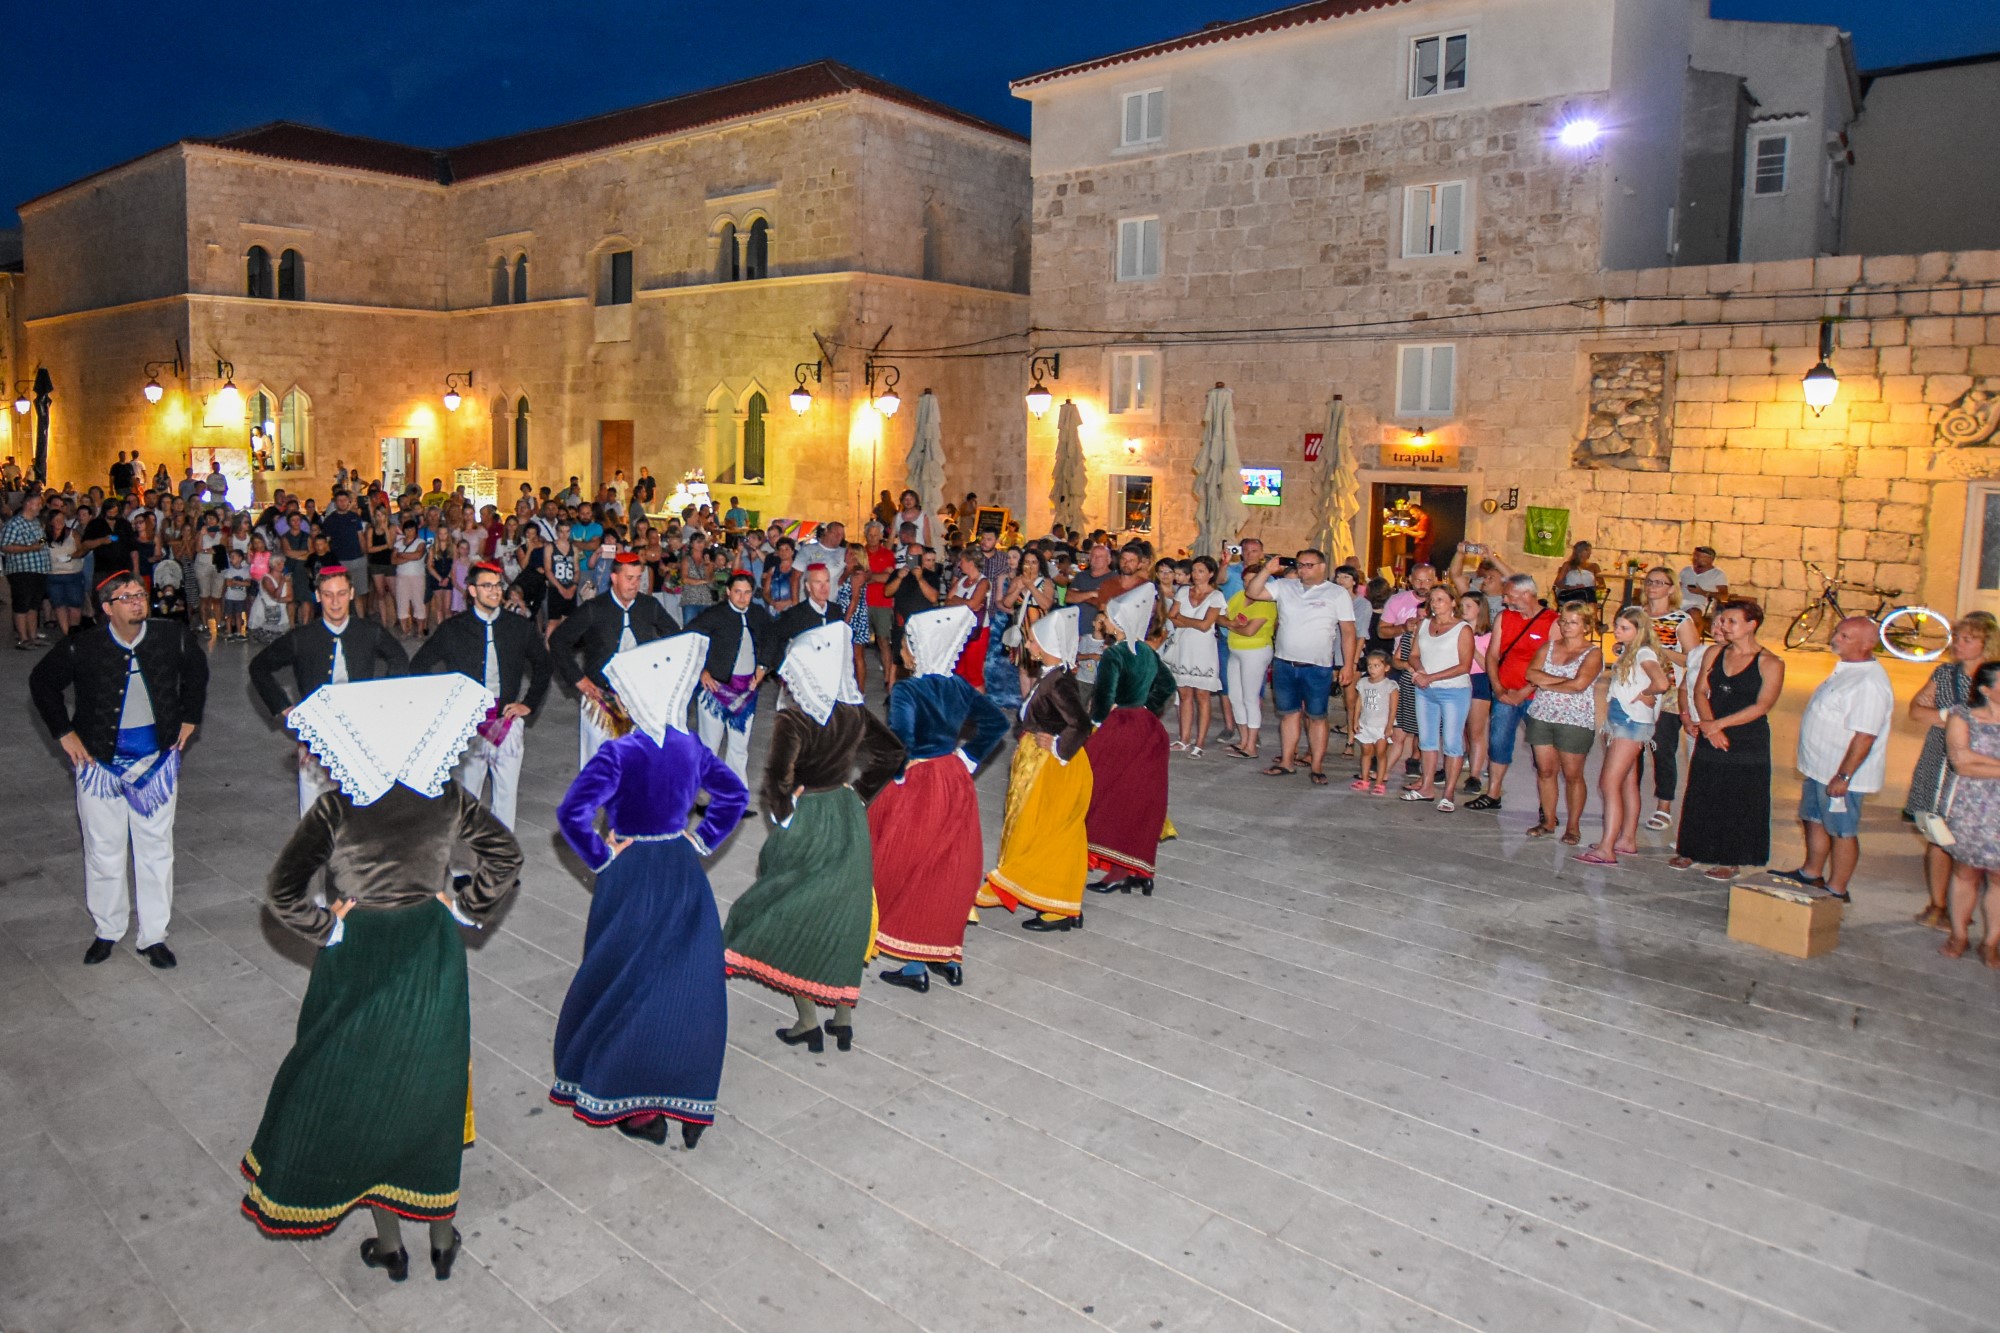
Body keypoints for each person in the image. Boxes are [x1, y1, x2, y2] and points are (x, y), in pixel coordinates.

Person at [239, 676, 521, 1277]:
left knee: (365, 1086)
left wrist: (326, 926)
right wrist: (467, 904)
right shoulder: (444, 798)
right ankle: (442, 1242)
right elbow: (507, 855)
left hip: (359, 952)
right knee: (433, 1085)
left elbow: (280, 891)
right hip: (430, 949)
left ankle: (391, 1246)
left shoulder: (336, 807)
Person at [551, 633, 750, 1147]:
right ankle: (681, 1093)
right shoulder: (691, 747)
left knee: (626, 978)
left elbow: (571, 815)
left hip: (632, 873)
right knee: (682, 981)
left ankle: (637, 1105)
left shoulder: (619, 753)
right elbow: (734, 793)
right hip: (681, 871)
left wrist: (601, 856)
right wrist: (701, 837)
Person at [724, 624, 904, 1051]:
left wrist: (785, 819)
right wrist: (858, 794)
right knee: (844, 913)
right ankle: (841, 1019)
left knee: (795, 912)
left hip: (810, 819)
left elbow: (777, 779)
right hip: (846, 814)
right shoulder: (852, 710)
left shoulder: (794, 716)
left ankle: (807, 1021)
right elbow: (894, 753)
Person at [30, 571, 208, 967]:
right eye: (126, 597)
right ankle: (108, 928)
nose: (137, 602)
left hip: (155, 761)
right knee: (104, 849)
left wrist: (189, 717)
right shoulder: (83, 646)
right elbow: (42, 683)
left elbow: (197, 671)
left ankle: (154, 935)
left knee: (156, 850)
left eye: (139, 594)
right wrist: (65, 734)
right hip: (99, 763)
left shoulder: (171, 636)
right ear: (107, 608)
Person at [871, 606, 1010, 991]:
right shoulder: (959, 686)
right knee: (948, 867)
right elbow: (998, 723)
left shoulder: (908, 689)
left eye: (907, 644)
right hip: (953, 778)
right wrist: (967, 757)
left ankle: (915, 967)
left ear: (919, 648)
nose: (902, 650)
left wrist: (896, 777)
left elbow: (900, 743)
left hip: (920, 784)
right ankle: (947, 956)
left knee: (912, 865)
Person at [251, 566, 412, 813]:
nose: (335, 602)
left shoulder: (369, 632)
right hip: (316, 731)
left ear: (351, 593)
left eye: (340, 593)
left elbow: (399, 658)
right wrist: (284, 707)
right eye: (327, 594)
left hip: (361, 728)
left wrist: (384, 699)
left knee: (360, 804)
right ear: (317, 596)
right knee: (315, 807)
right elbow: (259, 667)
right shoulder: (302, 637)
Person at [976, 607, 1096, 931]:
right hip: (1042, 761)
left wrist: (1057, 745)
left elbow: (1081, 724)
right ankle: (1060, 899)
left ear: (1045, 645)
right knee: (1047, 831)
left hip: (1055, 766)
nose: (1027, 645)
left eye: (1031, 640)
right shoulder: (1052, 675)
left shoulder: (1059, 682)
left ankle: (1059, 908)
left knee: (1053, 832)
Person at [411, 562, 554, 829]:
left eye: (498, 585)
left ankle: (502, 862)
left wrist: (528, 704)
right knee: (467, 796)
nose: (495, 591)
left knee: (506, 795)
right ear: (473, 591)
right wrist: (445, 705)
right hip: (467, 725)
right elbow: (418, 666)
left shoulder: (518, 627)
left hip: (507, 720)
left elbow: (544, 665)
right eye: (487, 586)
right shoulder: (453, 629)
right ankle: (464, 864)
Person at [1777, 616, 1894, 903]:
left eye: (1845, 636)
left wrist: (1844, 776)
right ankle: (1811, 871)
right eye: (1838, 633)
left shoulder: (1870, 683)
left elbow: (1865, 736)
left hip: (1841, 775)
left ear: (1867, 645)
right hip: (1819, 767)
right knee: (1814, 819)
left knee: (1842, 830)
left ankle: (1837, 888)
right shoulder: (1847, 669)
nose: (1836, 638)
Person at [1671, 600, 1784, 880]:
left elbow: (1762, 705)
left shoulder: (1770, 662)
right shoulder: (1714, 653)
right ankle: (1693, 848)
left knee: (1738, 796)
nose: (1723, 626)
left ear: (1751, 625)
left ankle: (1730, 858)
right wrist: (1711, 727)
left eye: (1731, 621)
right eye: (1722, 621)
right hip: (1713, 729)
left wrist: (1716, 725)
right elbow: (1700, 692)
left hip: (1747, 737)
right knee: (1702, 789)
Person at [1906, 614, 2000, 927]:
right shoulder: (1945, 673)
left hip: (1986, 767)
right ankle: (1937, 905)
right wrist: (1954, 716)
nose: (1958, 644)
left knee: (1980, 837)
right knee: (1937, 832)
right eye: (1957, 638)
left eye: (1967, 639)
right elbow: (1916, 710)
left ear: (1987, 644)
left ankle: (1966, 908)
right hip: (1940, 759)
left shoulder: (1995, 678)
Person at [1083, 585, 1175, 896]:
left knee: (1107, 796)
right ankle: (1137, 869)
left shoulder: (1114, 654)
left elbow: (1103, 698)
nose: (1104, 621)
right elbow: (1167, 684)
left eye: (1108, 616)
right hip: (1147, 729)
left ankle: (1118, 871)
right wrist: (1146, 706)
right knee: (1138, 799)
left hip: (1120, 728)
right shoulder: (1147, 651)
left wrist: (1097, 723)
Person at [550, 552, 681, 764]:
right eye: (629, 578)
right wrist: (579, 680)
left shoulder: (649, 606)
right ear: (614, 577)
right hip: (600, 696)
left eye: (639, 578)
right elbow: (558, 641)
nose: (635, 584)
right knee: (598, 762)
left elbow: (675, 639)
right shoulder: (594, 608)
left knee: (638, 760)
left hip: (639, 697)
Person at [1246, 550, 1357, 786]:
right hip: (1285, 662)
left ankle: (1316, 764)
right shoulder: (1286, 586)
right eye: (1301, 565)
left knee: (1317, 716)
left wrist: (1348, 664)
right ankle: (1287, 761)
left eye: (1309, 565)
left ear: (1322, 566)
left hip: (1317, 666)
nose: (1304, 569)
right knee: (1288, 714)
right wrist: (1267, 569)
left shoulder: (1336, 593)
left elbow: (1348, 632)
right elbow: (1252, 592)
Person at [1577, 607, 1670, 866]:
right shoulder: (1632, 651)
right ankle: (1626, 838)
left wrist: (1649, 692)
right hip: (1621, 720)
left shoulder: (1643, 653)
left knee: (1609, 783)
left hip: (1630, 723)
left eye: (1624, 628)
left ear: (1639, 631)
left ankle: (1607, 847)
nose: (1617, 631)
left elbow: (1661, 682)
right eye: (1617, 626)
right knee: (1628, 782)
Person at [1467, 575, 1555, 813]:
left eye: (1509, 595)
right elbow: (1492, 655)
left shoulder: (1552, 621)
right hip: (1504, 692)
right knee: (1498, 743)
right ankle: (1493, 793)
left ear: (1526, 594)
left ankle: (1546, 806)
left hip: (1537, 696)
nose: (1504, 600)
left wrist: (1524, 691)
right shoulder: (1505, 618)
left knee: (1543, 752)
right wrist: (1497, 687)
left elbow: (1551, 664)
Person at [1523, 603, 1602, 844]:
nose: (1566, 626)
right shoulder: (1548, 647)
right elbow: (1531, 674)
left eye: (1573, 622)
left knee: (1573, 775)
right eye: (1564, 621)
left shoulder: (1593, 653)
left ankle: (1573, 826)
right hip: (1542, 715)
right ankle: (1548, 820)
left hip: (1575, 719)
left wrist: (1547, 682)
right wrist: (1562, 681)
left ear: (1587, 626)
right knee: (1545, 771)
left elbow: (1580, 685)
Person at [688, 571, 777, 780]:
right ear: (728, 592)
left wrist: (763, 667)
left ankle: (736, 797)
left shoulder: (758, 614)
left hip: (747, 691)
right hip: (715, 689)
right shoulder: (714, 614)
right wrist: (701, 670)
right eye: (737, 592)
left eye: (747, 593)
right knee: (709, 745)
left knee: (739, 748)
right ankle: (705, 796)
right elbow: (688, 637)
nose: (742, 597)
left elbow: (773, 638)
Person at [1940, 662, 2000, 966]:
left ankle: (1991, 941)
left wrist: (1983, 763)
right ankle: (1959, 933)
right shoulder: (1962, 716)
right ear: (1985, 690)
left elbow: (1971, 759)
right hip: (1971, 805)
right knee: (1966, 872)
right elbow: (1961, 762)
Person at [1402, 585, 1475, 811]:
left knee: (1452, 742)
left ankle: (1449, 793)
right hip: (1425, 690)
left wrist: (1431, 676)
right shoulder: (1424, 624)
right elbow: (1413, 654)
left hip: (1453, 690)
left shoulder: (1462, 629)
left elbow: (1464, 665)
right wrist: (1421, 672)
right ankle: (1426, 786)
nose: (1435, 603)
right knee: (1427, 740)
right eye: (1433, 599)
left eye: (1441, 599)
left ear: (1454, 602)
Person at [1636, 567, 1694, 831]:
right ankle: (1629, 798)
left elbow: (1694, 659)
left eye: (1660, 582)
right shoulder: (1636, 615)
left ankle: (1664, 806)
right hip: (1635, 688)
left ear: (1672, 588)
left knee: (1662, 749)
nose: (1653, 586)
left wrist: (1661, 651)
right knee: (1631, 748)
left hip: (1668, 692)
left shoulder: (1680, 620)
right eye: (1649, 581)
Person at [1162, 555, 1227, 754]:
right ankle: (1184, 739)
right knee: (1184, 694)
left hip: (1203, 650)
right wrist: (1191, 621)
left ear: (1210, 574)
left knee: (1202, 695)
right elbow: (1171, 617)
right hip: (1184, 647)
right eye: (1195, 571)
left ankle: (1200, 743)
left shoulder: (1216, 596)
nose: (1197, 575)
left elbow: (1206, 625)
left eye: (1201, 571)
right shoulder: (1183, 591)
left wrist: (1184, 619)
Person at [2, 493, 50, 649]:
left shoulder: (36, 522)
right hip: (22, 570)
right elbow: (5, 546)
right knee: (22, 604)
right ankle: (23, 639)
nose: (40, 507)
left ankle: (33, 636)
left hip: (39, 569)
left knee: (34, 605)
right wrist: (30, 547)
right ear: (29, 504)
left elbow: (42, 539)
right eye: (38, 504)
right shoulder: (14, 524)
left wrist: (41, 541)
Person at [1351, 650, 1398, 794]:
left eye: (1376, 665)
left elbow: (1393, 708)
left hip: (1381, 725)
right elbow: (1359, 702)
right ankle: (1364, 780)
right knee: (1366, 752)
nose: (1372, 669)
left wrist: (1389, 726)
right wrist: (1355, 720)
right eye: (1370, 666)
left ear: (1386, 667)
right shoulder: (1363, 682)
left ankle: (1379, 783)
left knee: (1381, 753)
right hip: (1366, 723)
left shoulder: (1390, 685)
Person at [1678, 546, 1730, 615]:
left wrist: (1703, 592)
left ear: (1710, 559)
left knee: (1694, 613)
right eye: (1694, 556)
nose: (1695, 559)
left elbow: (1724, 596)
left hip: (1700, 606)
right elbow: (1677, 586)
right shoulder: (1686, 570)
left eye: (1699, 557)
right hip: (1680, 603)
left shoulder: (1717, 574)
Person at [1553, 541, 1602, 608]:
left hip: (1588, 593)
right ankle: (1592, 616)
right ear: (1579, 551)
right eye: (1586, 550)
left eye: (1590, 550)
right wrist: (1572, 587)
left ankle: (1590, 616)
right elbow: (1558, 582)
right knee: (1586, 593)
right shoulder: (1568, 565)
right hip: (1569, 593)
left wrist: (1592, 588)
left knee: (1587, 592)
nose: (1589, 552)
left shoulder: (1594, 566)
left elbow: (1602, 585)